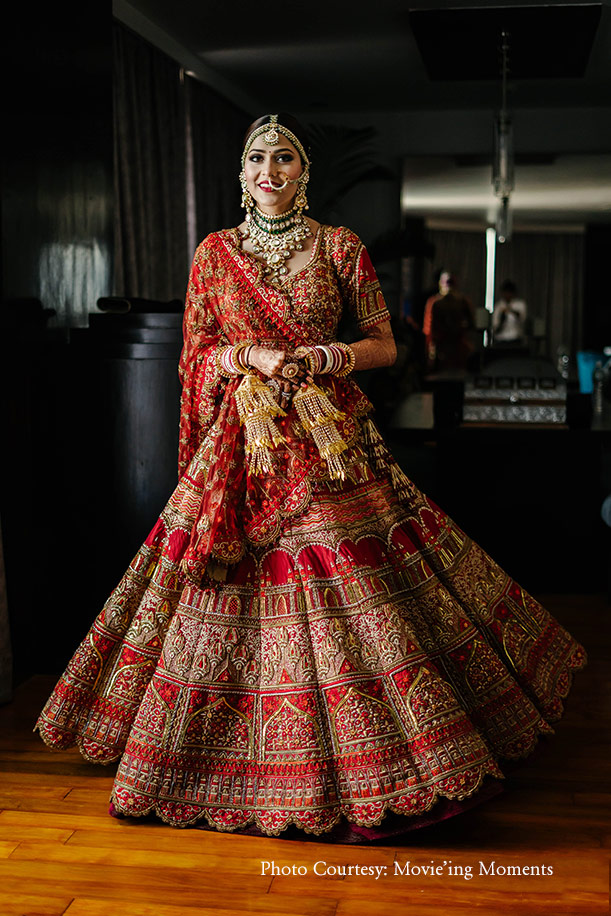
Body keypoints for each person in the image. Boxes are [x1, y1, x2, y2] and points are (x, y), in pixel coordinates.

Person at [36, 114, 585, 840]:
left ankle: (400, 761)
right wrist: (247, 361)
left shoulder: (339, 247)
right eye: (257, 158)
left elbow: (385, 345)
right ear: (239, 175)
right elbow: (195, 354)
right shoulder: (214, 253)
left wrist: (325, 359)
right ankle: (216, 764)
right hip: (243, 441)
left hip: (328, 440)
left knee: (351, 583)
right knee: (230, 588)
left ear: (303, 173)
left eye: (284, 158)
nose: (269, 170)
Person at [423, 270, 475, 371]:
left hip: (456, 344)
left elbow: (471, 323)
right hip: (443, 345)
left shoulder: (462, 302)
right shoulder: (435, 303)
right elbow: (429, 328)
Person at [492, 280, 528, 345]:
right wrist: (502, 320)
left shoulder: (520, 305)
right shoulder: (498, 306)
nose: (507, 295)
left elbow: (523, 320)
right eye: (505, 292)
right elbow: (495, 327)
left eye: (509, 292)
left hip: (516, 338)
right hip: (501, 339)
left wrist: (512, 311)